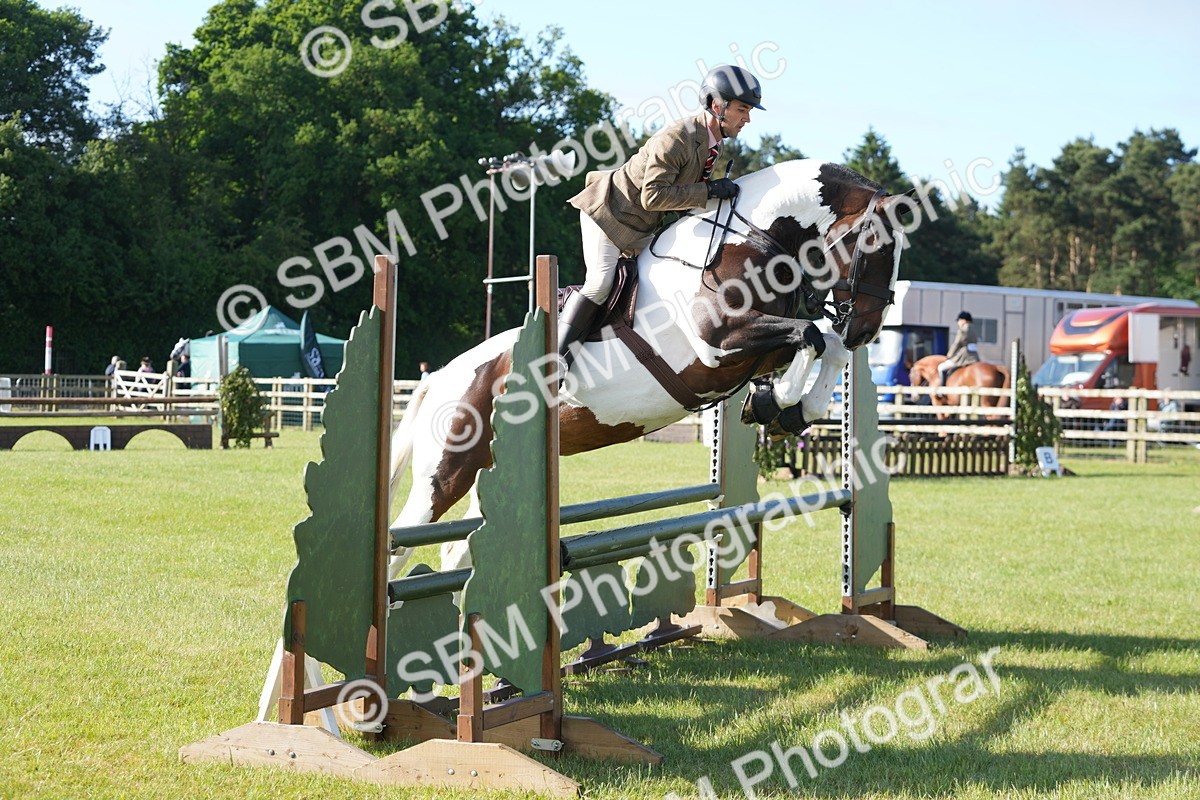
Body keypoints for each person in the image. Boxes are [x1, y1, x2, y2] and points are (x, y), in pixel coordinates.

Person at [560, 64, 765, 370]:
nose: (747, 119)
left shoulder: (713, 144)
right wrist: (709, 191)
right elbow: (653, 196)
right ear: (717, 105)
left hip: (641, 226)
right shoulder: (678, 137)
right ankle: (557, 359)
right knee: (600, 282)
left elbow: (683, 199)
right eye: (742, 109)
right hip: (608, 214)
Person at [938, 311, 980, 386]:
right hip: (975, 356)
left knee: (941, 367)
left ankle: (942, 389)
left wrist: (949, 355)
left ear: (963, 320)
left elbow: (956, 344)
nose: (958, 323)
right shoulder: (974, 330)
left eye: (959, 320)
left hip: (964, 357)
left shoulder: (963, 330)